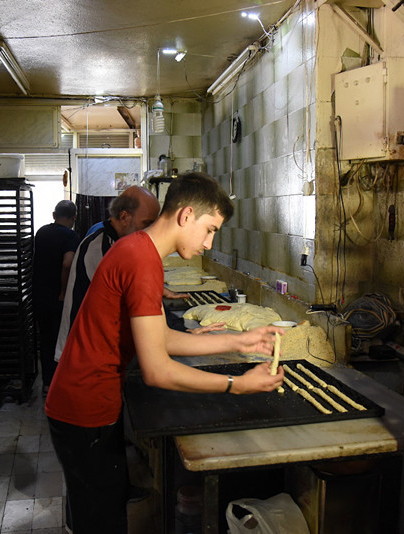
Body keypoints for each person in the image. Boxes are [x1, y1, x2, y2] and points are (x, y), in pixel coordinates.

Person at [45, 172, 285, 533]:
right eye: (210, 230)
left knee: (106, 510)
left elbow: (163, 338)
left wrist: (239, 341)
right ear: (186, 215)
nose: (208, 243)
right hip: (83, 408)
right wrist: (237, 385)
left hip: (88, 402)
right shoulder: (141, 261)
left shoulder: (140, 251)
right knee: (101, 523)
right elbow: (157, 369)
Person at [54, 185, 222, 367]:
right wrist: (182, 334)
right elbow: (133, 302)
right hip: (82, 354)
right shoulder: (100, 247)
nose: (150, 231)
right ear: (125, 217)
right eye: (146, 224)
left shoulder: (121, 245)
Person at [33, 199, 80, 393]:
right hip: (58, 298)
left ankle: (47, 383)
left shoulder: (41, 232)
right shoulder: (71, 236)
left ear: (54, 215)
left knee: (46, 340)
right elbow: (67, 263)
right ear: (74, 218)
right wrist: (63, 292)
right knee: (62, 340)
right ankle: (62, 384)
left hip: (39, 294)